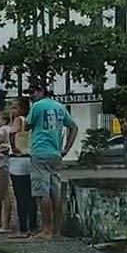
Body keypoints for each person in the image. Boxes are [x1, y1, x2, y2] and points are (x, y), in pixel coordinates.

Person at [25, 83, 77, 240]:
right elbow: (73, 127)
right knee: (56, 192)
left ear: (41, 91)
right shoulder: (59, 106)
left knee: (43, 192)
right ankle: (56, 230)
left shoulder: (37, 106)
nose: (31, 96)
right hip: (55, 153)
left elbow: (27, 125)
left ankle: (46, 229)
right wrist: (66, 148)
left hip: (40, 151)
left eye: (32, 92)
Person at [7, 97, 38, 237]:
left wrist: (13, 147)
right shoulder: (29, 121)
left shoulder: (18, 120)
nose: (12, 110)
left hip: (18, 160)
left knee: (20, 196)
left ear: (23, 109)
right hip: (29, 157)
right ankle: (33, 226)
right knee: (31, 195)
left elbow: (12, 133)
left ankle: (23, 228)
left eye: (15, 107)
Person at [0, 106, 14, 234]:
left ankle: (5, 223)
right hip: (3, 160)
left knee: (3, 193)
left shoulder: (3, 129)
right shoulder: (9, 129)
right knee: (0, 194)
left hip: (1, 160)